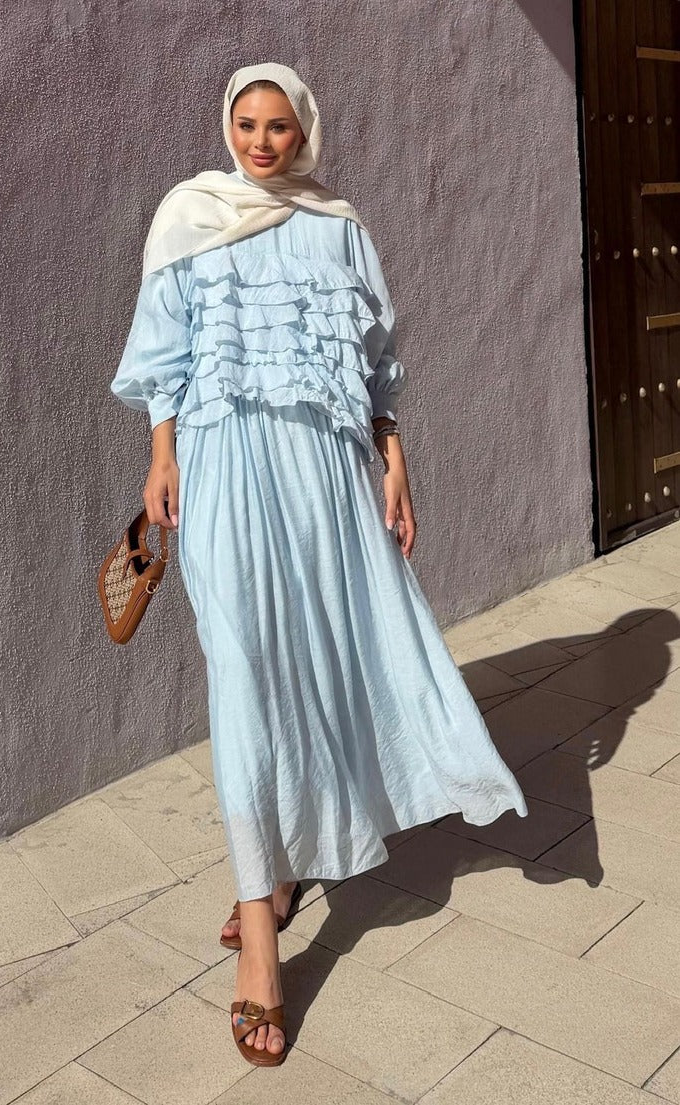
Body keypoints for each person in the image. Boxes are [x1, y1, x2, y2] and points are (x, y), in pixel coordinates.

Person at [110, 61, 528, 1067]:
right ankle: (260, 936)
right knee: (247, 675)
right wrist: (162, 454)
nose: (260, 142)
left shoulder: (339, 226)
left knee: (322, 666)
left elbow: (376, 362)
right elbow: (165, 352)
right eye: (247, 123)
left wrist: (396, 461)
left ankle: (282, 861)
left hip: (329, 475)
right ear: (228, 126)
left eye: (279, 127)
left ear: (305, 132)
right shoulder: (189, 214)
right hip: (222, 467)